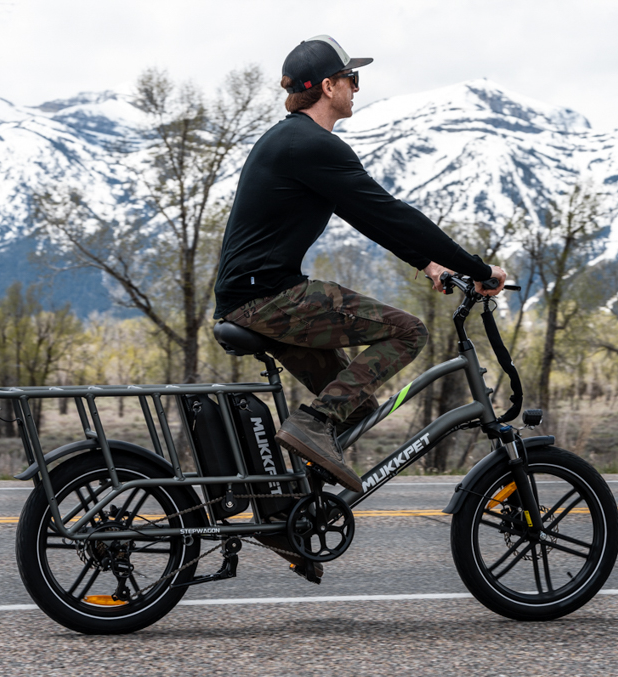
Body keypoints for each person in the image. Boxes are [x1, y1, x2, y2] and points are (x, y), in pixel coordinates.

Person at [213, 35, 507, 497]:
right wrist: (477, 269)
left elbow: (373, 220)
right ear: (328, 86)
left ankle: (292, 514)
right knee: (409, 331)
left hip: (252, 297)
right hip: (267, 298)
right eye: (352, 78)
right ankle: (311, 423)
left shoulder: (295, 143)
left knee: (357, 408)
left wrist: (429, 263)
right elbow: (393, 214)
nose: (356, 87)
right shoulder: (308, 144)